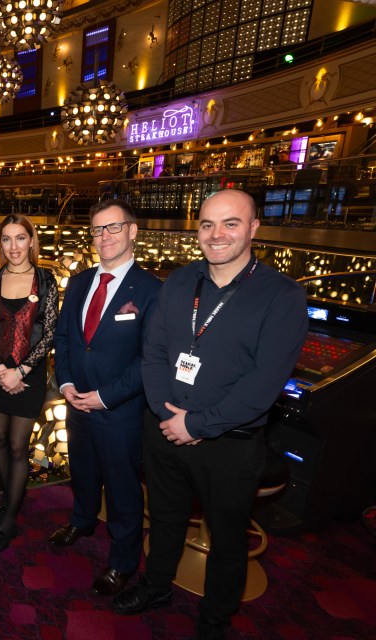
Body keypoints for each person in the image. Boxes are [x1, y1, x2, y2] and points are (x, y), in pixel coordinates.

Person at [112, 190, 307, 640]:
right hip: (164, 428)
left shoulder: (282, 296)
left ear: (254, 227)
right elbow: (153, 352)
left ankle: (216, 617)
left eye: (230, 224)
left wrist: (196, 424)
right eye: (207, 225)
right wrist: (167, 413)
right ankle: (157, 585)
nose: (217, 235)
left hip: (229, 445)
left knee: (227, 536)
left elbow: (263, 386)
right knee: (163, 517)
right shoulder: (180, 282)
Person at [47, 199, 161, 596]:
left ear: (133, 231)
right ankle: (81, 520)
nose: (104, 236)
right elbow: (64, 340)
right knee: (83, 472)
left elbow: (150, 359)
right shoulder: (78, 283)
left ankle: (123, 560)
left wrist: (105, 397)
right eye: (97, 230)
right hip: (76, 403)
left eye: (113, 228)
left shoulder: (151, 290)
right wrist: (65, 385)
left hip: (120, 411)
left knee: (122, 489)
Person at [0, 214, 59, 554]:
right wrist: (0, 370)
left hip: (30, 374)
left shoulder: (46, 280)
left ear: (31, 241)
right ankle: (9, 496)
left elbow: (50, 332)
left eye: (20, 238)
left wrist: (20, 371)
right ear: (1, 244)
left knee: (18, 446)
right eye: (7, 239)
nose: (14, 246)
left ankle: (9, 516)